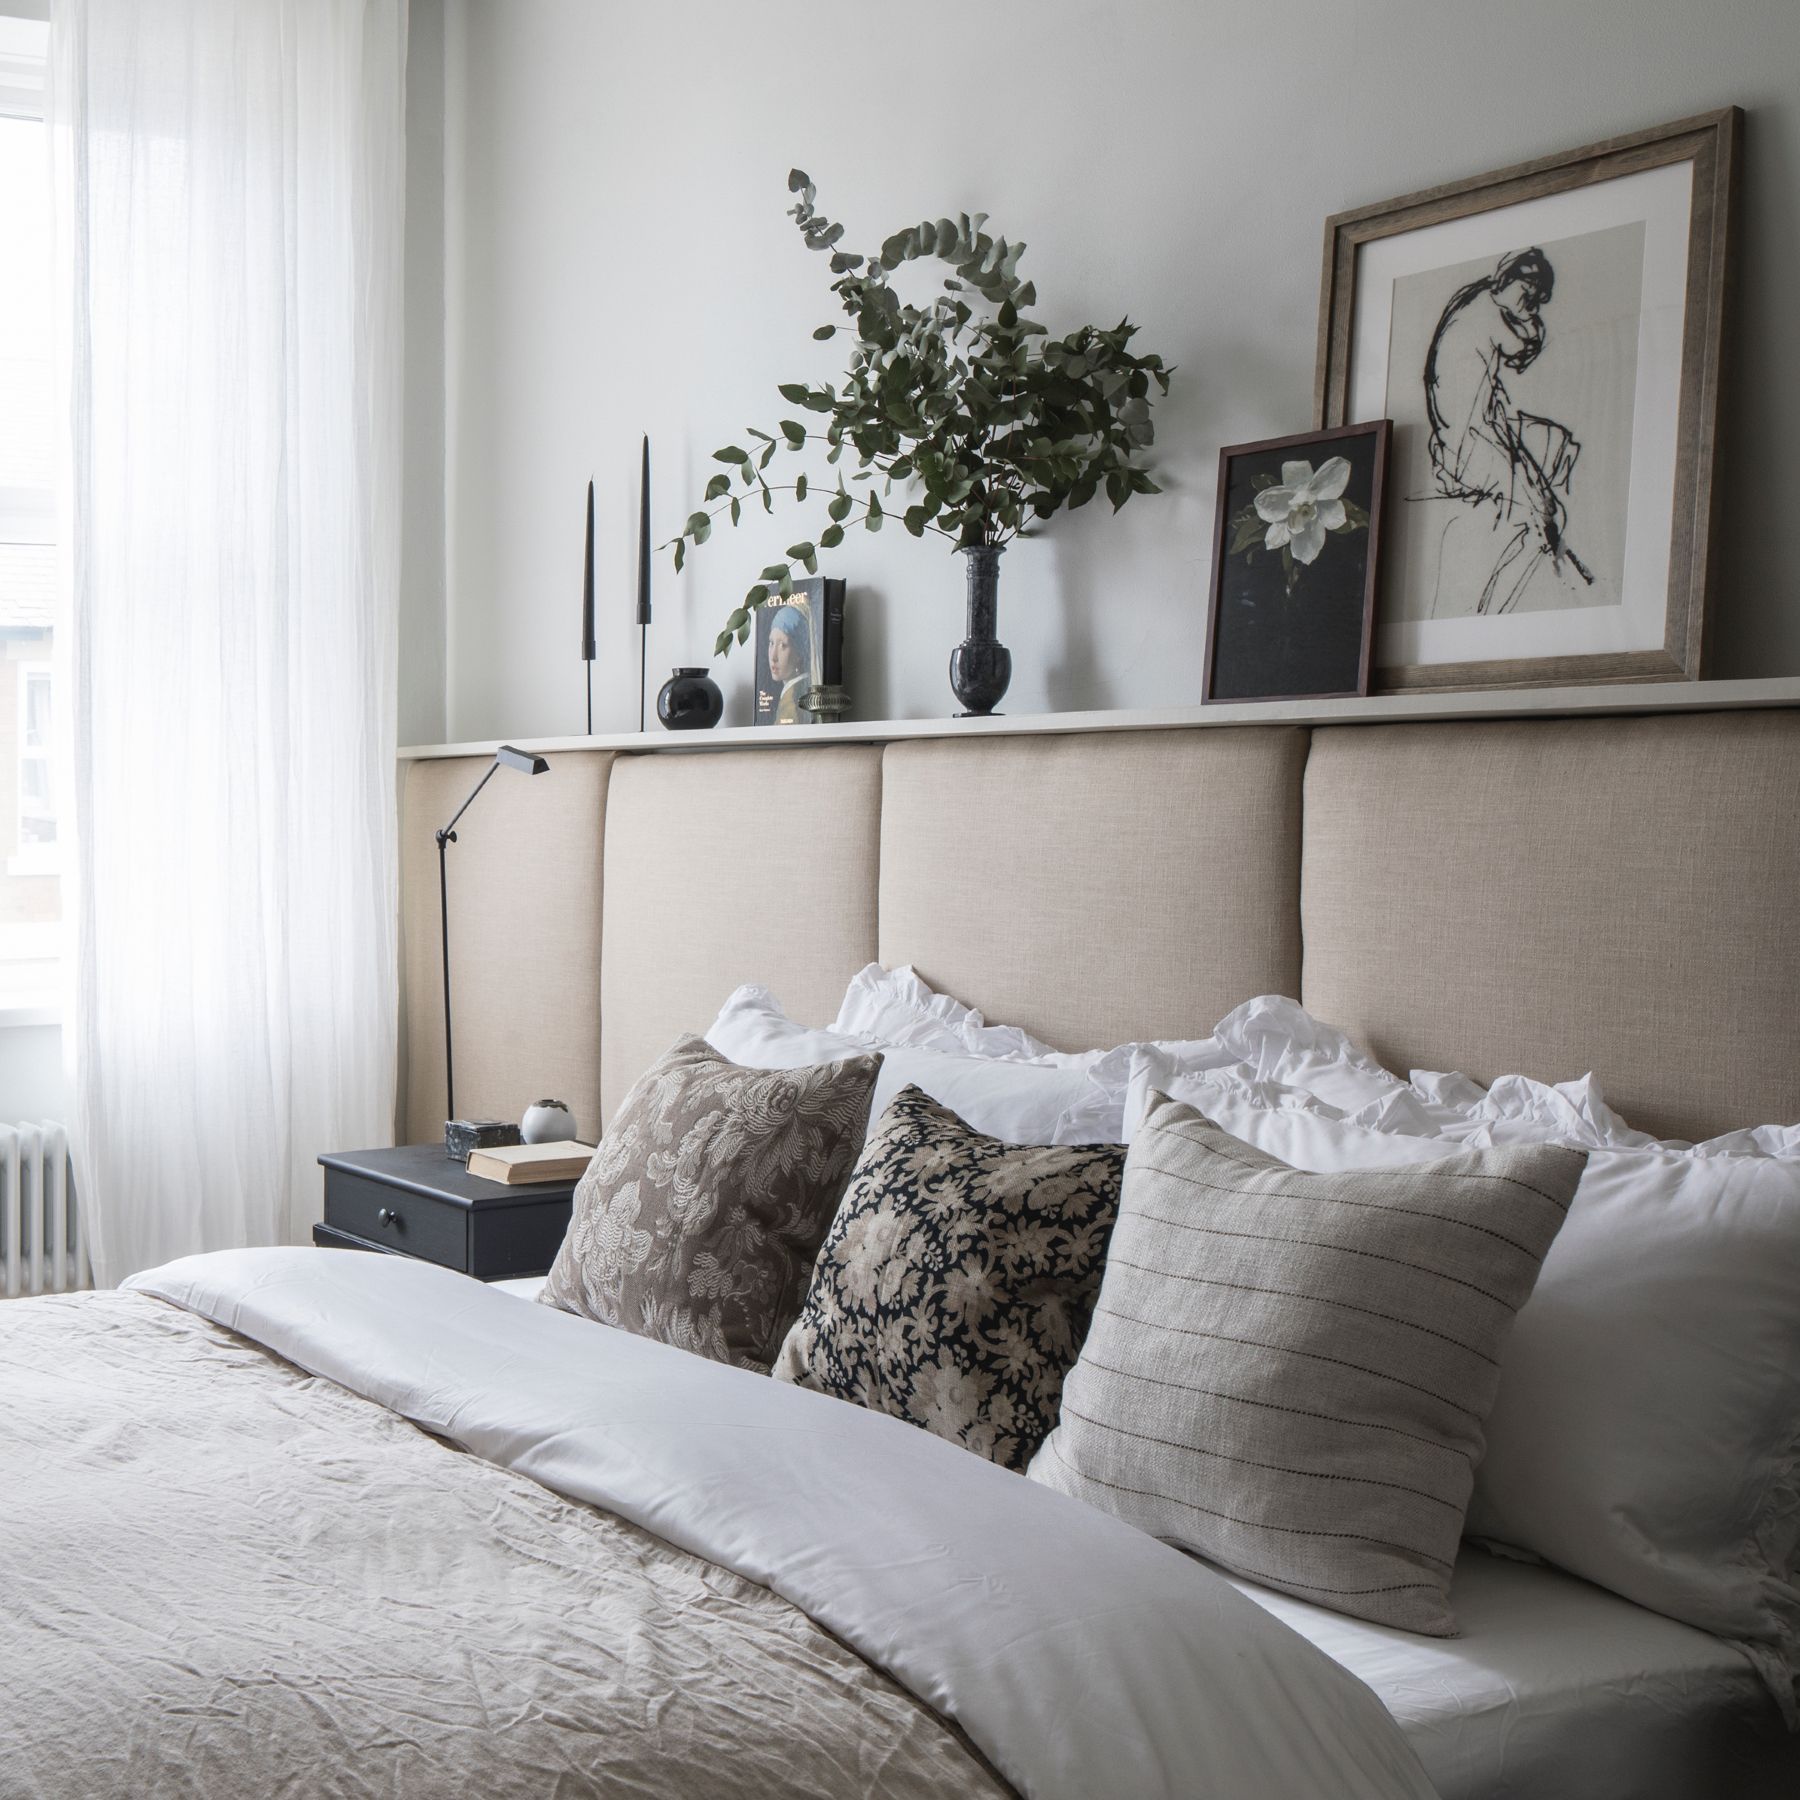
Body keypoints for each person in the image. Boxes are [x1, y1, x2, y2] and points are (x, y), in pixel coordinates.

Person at [1421, 246, 1593, 616]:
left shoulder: (1478, 299)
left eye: (1537, 291)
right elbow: (1522, 349)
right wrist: (1533, 324)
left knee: (1557, 445)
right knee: (1542, 507)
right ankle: (1542, 568)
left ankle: (1552, 551)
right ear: (1508, 277)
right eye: (1527, 287)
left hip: (1478, 425)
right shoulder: (1489, 314)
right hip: (1468, 441)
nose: (1532, 298)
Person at [765, 603, 812, 725]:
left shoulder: (791, 703)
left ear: (799, 652)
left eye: (783, 645)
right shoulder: (792, 695)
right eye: (771, 643)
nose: (773, 657)